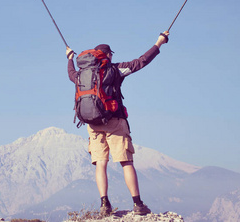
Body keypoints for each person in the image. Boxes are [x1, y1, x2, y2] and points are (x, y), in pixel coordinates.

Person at [66, 31, 170, 216]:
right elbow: (141, 62)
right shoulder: (114, 70)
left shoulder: (82, 75)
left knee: (100, 163)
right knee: (126, 161)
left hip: (93, 125)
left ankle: (104, 204)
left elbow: (71, 74)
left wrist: (69, 58)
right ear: (107, 55)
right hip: (115, 121)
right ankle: (138, 204)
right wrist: (159, 43)